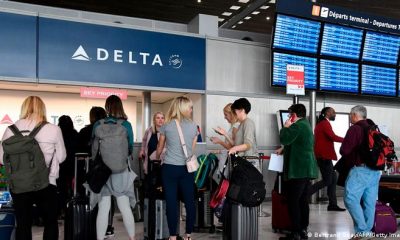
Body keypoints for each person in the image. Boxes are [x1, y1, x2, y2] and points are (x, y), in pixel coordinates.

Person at [0, 96, 67, 240]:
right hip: (46, 182)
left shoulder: (10, 130)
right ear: (42, 108)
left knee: (23, 224)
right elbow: (61, 157)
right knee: (50, 222)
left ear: (24, 108)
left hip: (19, 184)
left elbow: (2, 159)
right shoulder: (53, 129)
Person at [91, 95, 136, 240]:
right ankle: (132, 238)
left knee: (103, 209)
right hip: (121, 171)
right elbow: (130, 148)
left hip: (103, 172)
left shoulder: (98, 124)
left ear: (107, 107)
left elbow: (93, 150)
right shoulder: (126, 125)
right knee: (125, 207)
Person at [156, 96, 198, 240]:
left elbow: (160, 149)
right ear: (184, 108)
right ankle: (188, 235)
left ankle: (173, 236)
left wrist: (157, 155)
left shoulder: (166, 125)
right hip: (186, 169)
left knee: (171, 202)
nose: (191, 110)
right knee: (189, 202)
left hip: (169, 169)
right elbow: (191, 151)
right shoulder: (194, 126)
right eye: (190, 107)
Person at [339, 105, 381, 239]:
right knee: (369, 202)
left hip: (360, 170)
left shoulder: (355, 128)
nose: (350, 117)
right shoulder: (373, 127)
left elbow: (344, 151)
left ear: (355, 115)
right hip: (375, 171)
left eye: (350, 114)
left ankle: (362, 231)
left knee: (350, 199)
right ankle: (367, 232)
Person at [278, 104, 318, 240]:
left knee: (293, 201)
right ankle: (302, 229)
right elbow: (299, 143)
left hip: (298, 170)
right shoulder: (306, 124)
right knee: (302, 201)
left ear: (295, 115)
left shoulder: (297, 126)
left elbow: (284, 138)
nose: (289, 117)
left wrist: (285, 127)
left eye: (290, 114)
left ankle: (295, 232)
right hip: (306, 169)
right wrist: (283, 149)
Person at [308, 107, 345, 211]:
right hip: (324, 156)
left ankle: (332, 204)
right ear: (328, 113)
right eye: (333, 112)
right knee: (327, 180)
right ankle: (305, 194)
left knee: (333, 179)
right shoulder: (324, 124)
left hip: (323, 156)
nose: (335, 114)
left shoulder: (322, 123)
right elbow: (332, 136)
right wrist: (347, 140)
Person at [57, 115, 79, 218]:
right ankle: (71, 210)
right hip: (73, 166)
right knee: (72, 189)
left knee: (61, 190)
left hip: (60, 166)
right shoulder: (75, 134)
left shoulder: (58, 135)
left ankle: (62, 211)